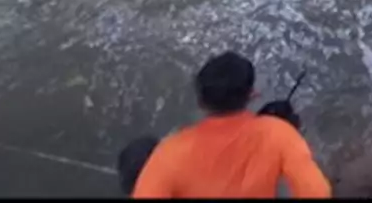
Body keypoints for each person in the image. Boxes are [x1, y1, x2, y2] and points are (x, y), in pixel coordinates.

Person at [128, 52, 331, 199]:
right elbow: (317, 192)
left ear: (201, 102)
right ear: (252, 94)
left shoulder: (168, 152)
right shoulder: (279, 134)